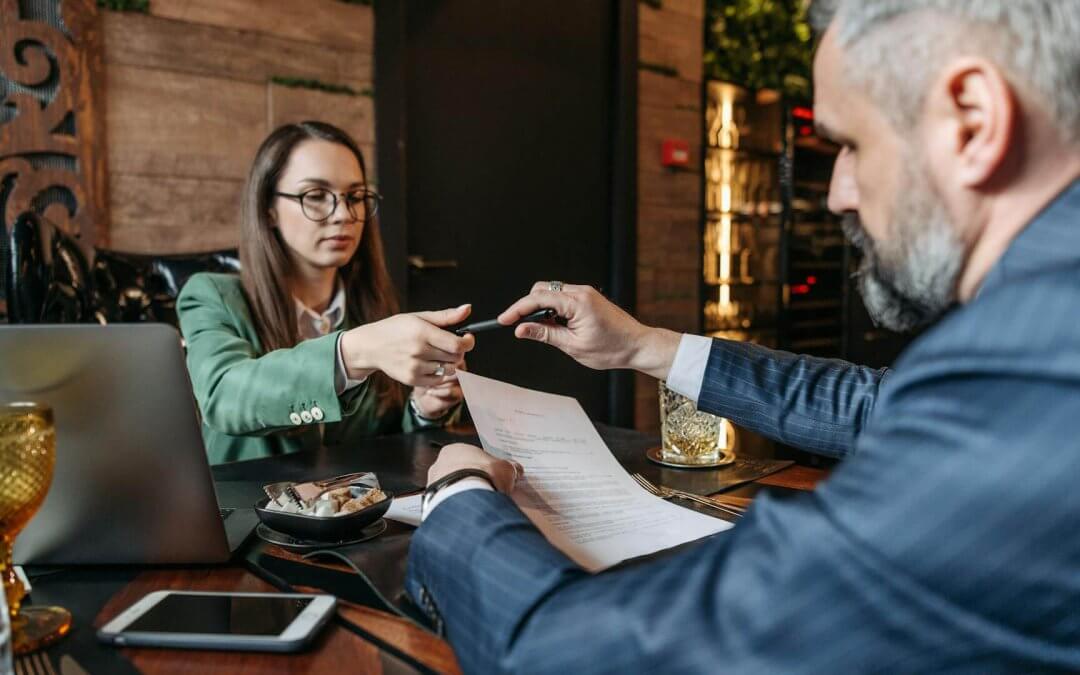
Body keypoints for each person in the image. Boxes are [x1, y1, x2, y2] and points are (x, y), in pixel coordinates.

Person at [405, 1, 1080, 672]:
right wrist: (643, 345)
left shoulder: (1033, 379)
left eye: (850, 144)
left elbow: (579, 656)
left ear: (973, 118)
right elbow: (879, 405)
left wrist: (460, 497)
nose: (837, 192)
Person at [178, 121, 475, 463]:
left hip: (356, 511)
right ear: (268, 209)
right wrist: (354, 352)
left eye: (355, 197)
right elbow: (222, 396)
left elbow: (388, 441)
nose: (343, 214)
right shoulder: (212, 295)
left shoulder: (372, 302)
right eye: (316, 196)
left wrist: (425, 409)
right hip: (246, 511)